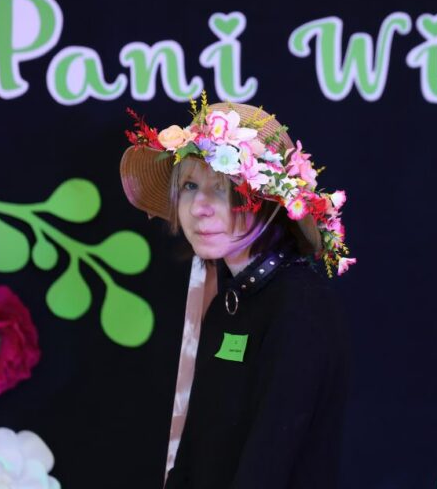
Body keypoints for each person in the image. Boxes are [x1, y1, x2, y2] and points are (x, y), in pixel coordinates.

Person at [120, 96, 354, 488]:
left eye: (224, 187)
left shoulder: (299, 306)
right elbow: (194, 454)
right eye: (190, 186)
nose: (200, 207)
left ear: (266, 203)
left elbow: (267, 466)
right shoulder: (230, 301)